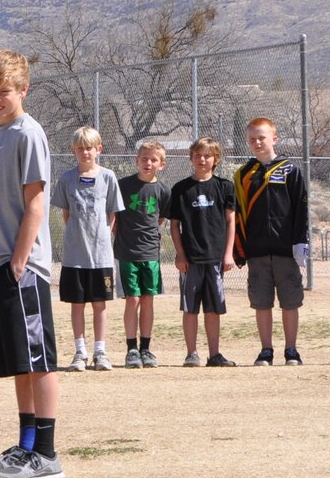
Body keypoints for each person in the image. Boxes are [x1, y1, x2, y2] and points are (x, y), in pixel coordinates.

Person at [0, 49, 64, 478]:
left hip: (21, 268)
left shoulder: (29, 134)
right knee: (19, 361)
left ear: (23, 90)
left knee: (39, 359)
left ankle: (46, 453)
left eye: (4, 91)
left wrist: (20, 260)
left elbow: (36, 203)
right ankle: (25, 446)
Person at [232, 118, 310, 365]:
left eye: (262, 137)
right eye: (252, 139)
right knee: (261, 302)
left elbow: (301, 207)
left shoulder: (290, 169)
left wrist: (300, 241)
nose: (257, 142)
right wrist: (240, 248)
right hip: (257, 251)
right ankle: (266, 349)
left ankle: (291, 350)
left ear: (274, 139)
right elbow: (238, 215)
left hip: (286, 249)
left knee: (290, 301)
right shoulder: (243, 174)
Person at [165, 137, 238, 368]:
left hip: (215, 258)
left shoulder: (224, 186)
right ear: (191, 158)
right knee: (190, 308)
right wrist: (180, 254)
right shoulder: (181, 189)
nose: (202, 159)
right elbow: (174, 226)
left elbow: (230, 221)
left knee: (213, 308)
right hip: (191, 259)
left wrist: (228, 254)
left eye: (207, 155)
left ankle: (214, 354)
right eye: (197, 155)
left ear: (216, 159)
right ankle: (192, 353)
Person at [58, 126, 121, 372]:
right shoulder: (66, 179)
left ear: (99, 149)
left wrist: (102, 237)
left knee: (99, 304)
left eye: (89, 148)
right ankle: (80, 352)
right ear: (74, 151)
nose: (85, 152)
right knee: (77, 304)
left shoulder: (108, 177)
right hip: (74, 256)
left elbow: (112, 214)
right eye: (80, 148)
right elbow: (66, 213)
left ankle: (100, 351)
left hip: (101, 257)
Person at [115, 141, 171, 368]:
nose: (148, 163)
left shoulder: (163, 190)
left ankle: (146, 349)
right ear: (136, 160)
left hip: (150, 254)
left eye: (153, 159)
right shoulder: (123, 185)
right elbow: (115, 219)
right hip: (127, 252)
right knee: (133, 299)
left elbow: (160, 220)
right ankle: (131, 350)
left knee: (148, 300)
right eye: (144, 158)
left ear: (162, 164)